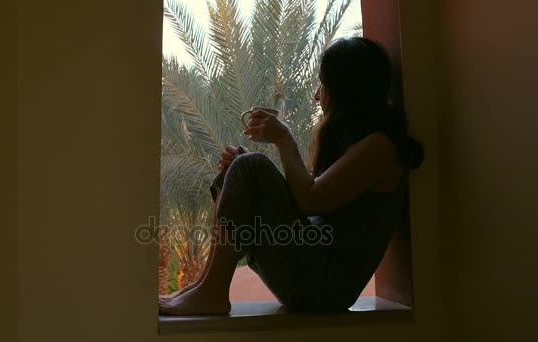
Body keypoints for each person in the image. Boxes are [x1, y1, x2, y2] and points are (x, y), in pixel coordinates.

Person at [159, 37, 423, 315]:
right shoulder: (364, 144)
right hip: (315, 272)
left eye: (323, 84)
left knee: (251, 166)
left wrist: (284, 138)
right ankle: (204, 286)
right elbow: (308, 204)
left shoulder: (379, 148)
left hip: (325, 285)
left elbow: (309, 201)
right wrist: (239, 173)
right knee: (240, 168)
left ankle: (211, 293)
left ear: (346, 89)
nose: (317, 95)